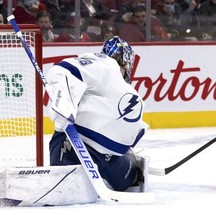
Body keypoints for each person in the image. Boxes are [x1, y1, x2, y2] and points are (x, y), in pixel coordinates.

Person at [47, 36, 149, 192]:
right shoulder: (104, 65)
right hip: (71, 142)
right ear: (126, 62)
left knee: (127, 182)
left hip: (105, 154)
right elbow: (62, 70)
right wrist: (63, 101)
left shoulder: (119, 85)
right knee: (63, 181)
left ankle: (130, 166)